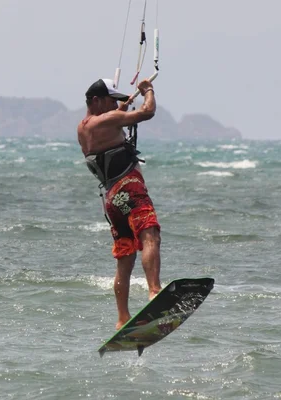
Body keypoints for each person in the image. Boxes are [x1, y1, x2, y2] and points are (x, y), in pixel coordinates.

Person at [77, 78, 162, 330]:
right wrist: (148, 90)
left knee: (125, 257)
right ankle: (155, 291)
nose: (115, 104)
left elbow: (109, 126)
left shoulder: (83, 128)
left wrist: (120, 108)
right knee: (150, 235)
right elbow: (148, 112)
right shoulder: (105, 120)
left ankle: (122, 317)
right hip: (129, 188)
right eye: (111, 100)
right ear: (96, 101)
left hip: (112, 199)